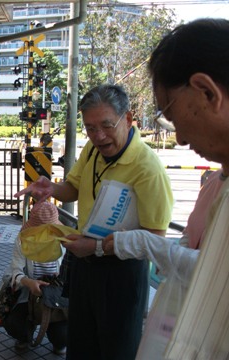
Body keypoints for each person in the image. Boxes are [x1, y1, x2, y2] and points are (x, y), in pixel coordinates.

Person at [99, 19, 229, 358]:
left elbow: (213, 272)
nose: (180, 137)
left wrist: (143, 243)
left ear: (206, 92)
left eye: (168, 112)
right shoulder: (218, 181)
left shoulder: (148, 166)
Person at [14, 84, 174, 359]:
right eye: (90, 128)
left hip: (122, 273)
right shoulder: (92, 149)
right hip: (84, 265)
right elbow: (74, 187)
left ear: (128, 118)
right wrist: (52, 189)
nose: (98, 136)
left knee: (116, 350)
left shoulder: (147, 169)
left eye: (107, 125)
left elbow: (155, 238)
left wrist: (98, 248)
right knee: (82, 345)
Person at [2, 201, 67, 355]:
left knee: (62, 335)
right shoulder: (23, 239)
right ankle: (24, 336)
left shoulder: (64, 241)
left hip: (56, 298)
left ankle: (60, 339)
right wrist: (28, 282)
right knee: (14, 324)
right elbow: (12, 272)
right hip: (28, 295)